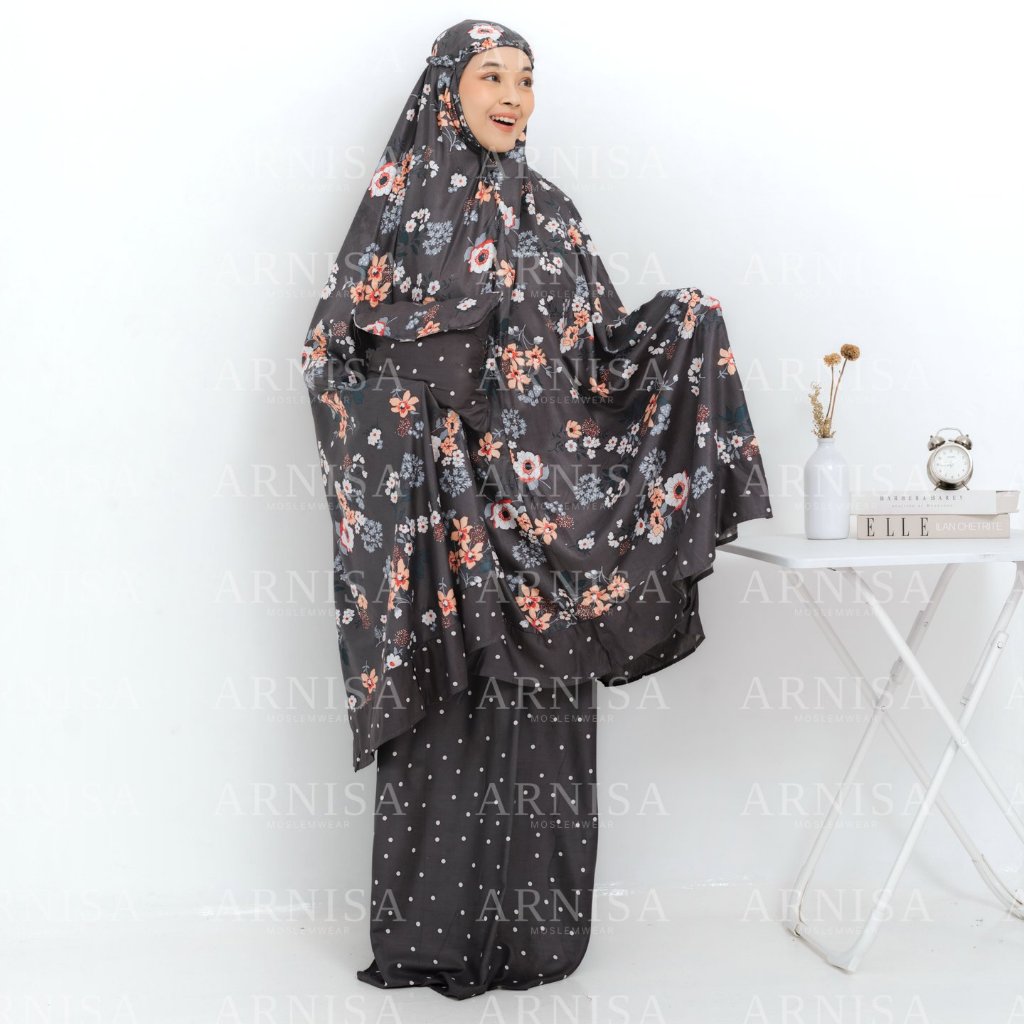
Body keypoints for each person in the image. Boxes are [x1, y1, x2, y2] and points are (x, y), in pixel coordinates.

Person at [300, 18, 774, 999]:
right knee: (447, 712)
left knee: (543, 714)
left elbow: (598, 356)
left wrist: (681, 324)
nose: (512, 95)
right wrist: (423, 399)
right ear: (447, 88)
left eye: (525, 79)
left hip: (540, 523)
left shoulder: (552, 211)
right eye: (491, 75)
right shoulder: (402, 205)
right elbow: (332, 352)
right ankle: (431, 937)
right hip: (439, 518)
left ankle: (539, 938)